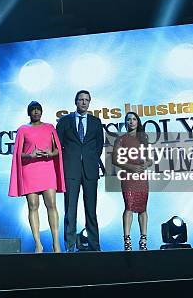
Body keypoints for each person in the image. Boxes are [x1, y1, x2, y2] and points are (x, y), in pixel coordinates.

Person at [9, 101, 65, 253]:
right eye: (33, 110)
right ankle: (38, 244)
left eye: (38, 110)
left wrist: (49, 153)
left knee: (52, 204)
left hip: (47, 169)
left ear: (42, 112)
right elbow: (17, 154)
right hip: (30, 169)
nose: (36, 112)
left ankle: (56, 243)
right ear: (29, 112)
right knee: (33, 206)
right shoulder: (23, 129)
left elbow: (57, 150)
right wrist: (30, 155)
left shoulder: (49, 128)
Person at [56, 90, 104, 252]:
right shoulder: (64, 121)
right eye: (81, 99)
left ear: (89, 102)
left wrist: (89, 159)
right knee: (70, 210)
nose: (84, 102)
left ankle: (94, 246)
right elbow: (58, 145)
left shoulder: (96, 122)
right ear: (75, 102)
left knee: (91, 210)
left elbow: (98, 146)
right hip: (71, 171)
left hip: (90, 171)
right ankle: (69, 246)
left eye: (86, 100)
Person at [111, 112, 151, 251]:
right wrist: (131, 167)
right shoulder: (121, 139)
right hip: (128, 176)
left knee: (143, 208)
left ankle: (143, 239)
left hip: (141, 177)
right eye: (128, 119)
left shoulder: (143, 138)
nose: (131, 122)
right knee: (129, 206)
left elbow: (150, 158)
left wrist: (146, 164)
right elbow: (115, 159)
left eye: (134, 119)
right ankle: (127, 240)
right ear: (125, 122)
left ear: (138, 121)